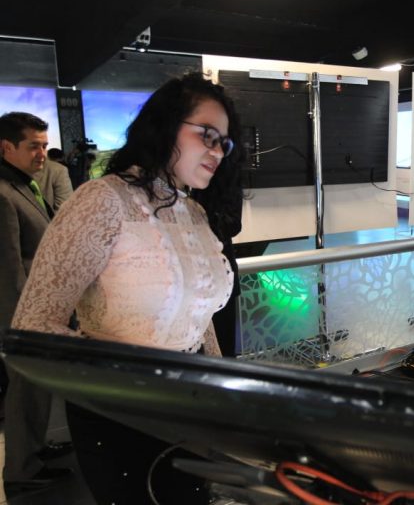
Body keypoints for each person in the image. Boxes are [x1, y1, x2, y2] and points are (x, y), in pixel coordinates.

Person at [11, 72, 245, 504]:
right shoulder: (101, 201)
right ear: (165, 125)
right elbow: (34, 325)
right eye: (207, 136)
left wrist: (219, 392)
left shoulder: (193, 212)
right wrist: (130, 377)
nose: (217, 152)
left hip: (188, 406)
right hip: (116, 411)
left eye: (224, 143)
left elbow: (200, 319)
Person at [0, 112, 73, 495]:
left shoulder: (23, 185)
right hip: (23, 316)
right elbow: (9, 268)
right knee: (25, 392)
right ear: (6, 147)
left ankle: (35, 452)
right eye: (34, 146)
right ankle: (21, 470)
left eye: (45, 145)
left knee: (35, 390)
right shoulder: (2, 193)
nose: (42, 153)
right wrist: (20, 327)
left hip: (38, 311)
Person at [191, 171, 243, 357]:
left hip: (219, 276)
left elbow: (234, 224)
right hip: (185, 283)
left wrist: (198, 218)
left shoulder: (224, 178)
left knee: (224, 350)